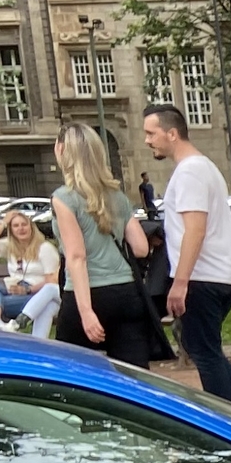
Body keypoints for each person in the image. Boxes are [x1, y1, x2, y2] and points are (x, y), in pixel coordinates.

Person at [143, 105, 231, 411]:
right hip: (221, 274)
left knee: (203, 351)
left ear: (172, 133)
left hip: (204, 277)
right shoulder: (204, 167)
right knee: (206, 347)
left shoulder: (190, 172)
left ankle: (228, 422)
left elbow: (194, 230)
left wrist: (180, 282)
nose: (147, 140)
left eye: (151, 133)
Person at [50, 123, 156, 366]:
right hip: (126, 292)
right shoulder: (117, 196)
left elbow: (76, 257)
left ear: (61, 149)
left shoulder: (64, 198)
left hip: (87, 293)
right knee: (134, 376)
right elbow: (141, 248)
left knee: (71, 373)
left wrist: (86, 312)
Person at [0, 209, 60, 334]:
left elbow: (52, 281)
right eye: (16, 225)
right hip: (16, 292)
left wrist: (27, 289)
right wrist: (3, 222)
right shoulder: (9, 246)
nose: (21, 228)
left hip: (37, 294)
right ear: (11, 230)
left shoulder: (44, 248)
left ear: (31, 227)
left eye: (24, 224)